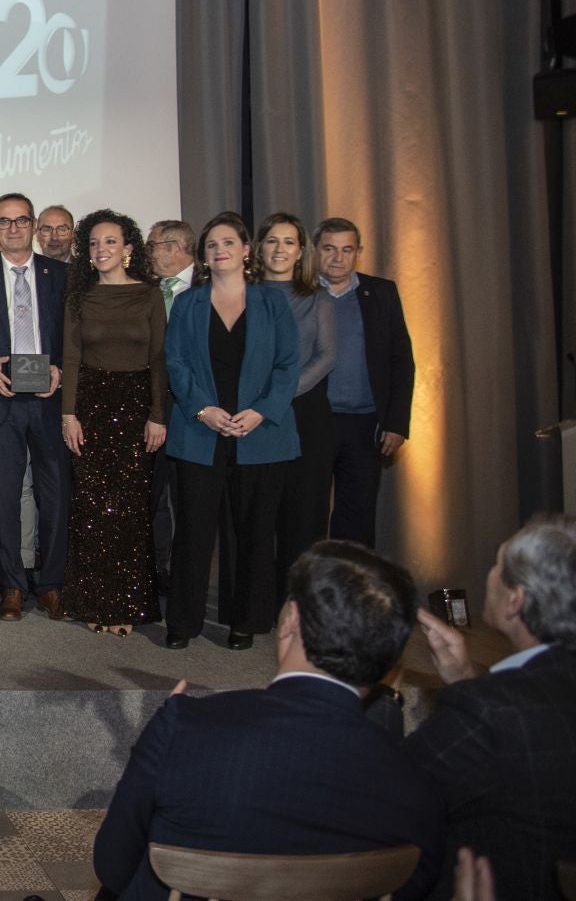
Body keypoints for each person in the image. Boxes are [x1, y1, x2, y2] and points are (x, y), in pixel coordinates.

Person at [92, 541, 446, 901]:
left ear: (290, 620)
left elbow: (112, 866)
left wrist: (167, 733)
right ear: (390, 660)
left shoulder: (185, 728)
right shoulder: (416, 788)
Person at [406, 514, 576, 901]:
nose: (490, 574)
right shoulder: (500, 701)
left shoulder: (488, 711)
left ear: (515, 601)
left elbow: (399, 790)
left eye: (497, 566)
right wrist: (464, 678)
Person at [163, 211, 300, 651]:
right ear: (203, 257)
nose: (219, 251)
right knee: (193, 530)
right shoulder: (187, 303)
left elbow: (288, 365)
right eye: (211, 246)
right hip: (200, 431)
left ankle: (246, 620)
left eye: (227, 243)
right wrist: (203, 410)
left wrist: (261, 412)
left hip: (260, 434)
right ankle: (183, 621)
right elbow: (176, 363)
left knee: (253, 531)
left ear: (246, 250)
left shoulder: (273, 303)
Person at [59, 209, 166, 636]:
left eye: (109, 242)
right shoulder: (78, 298)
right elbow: (71, 358)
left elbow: (159, 360)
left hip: (137, 405)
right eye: (93, 244)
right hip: (91, 405)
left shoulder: (150, 295)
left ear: (128, 249)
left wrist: (158, 415)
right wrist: (69, 415)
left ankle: (126, 604)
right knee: (91, 509)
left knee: (130, 509)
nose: (100, 250)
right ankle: (93, 603)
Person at [0, 192, 72, 622]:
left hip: (51, 402)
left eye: (21, 220)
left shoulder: (63, 276)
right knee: (3, 496)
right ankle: (11, 585)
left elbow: (77, 337)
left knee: (55, 496)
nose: (13, 228)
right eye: (4, 221)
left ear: (33, 225)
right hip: (1, 398)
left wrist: (63, 370)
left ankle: (51, 584)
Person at [315, 217, 416, 547]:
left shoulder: (382, 293)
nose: (338, 258)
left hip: (366, 425)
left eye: (347, 250)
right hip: (314, 422)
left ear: (358, 252)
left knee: (356, 522)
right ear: (316, 251)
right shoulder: (300, 295)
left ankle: (351, 595)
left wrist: (397, 423)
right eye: (329, 248)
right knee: (308, 517)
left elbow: (401, 361)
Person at [256, 212, 337, 603]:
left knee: (303, 511)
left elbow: (325, 358)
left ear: (301, 251)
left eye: (289, 242)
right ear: (259, 247)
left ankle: (296, 600)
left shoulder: (316, 298)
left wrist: (280, 395)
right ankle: (262, 598)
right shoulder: (244, 294)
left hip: (304, 413)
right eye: (272, 240)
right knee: (259, 512)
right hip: (253, 417)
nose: (280, 249)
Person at [145, 219, 197, 593]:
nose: (148, 252)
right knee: (153, 492)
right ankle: (159, 568)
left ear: (177, 247)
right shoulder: (148, 291)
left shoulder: (209, 288)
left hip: (197, 411)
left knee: (191, 497)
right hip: (152, 406)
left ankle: (187, 572)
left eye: (153, 245)